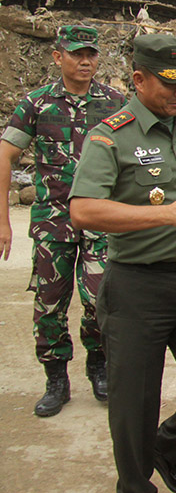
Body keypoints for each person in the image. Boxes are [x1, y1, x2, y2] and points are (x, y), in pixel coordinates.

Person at [69, 34, 176, 493]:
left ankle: (168, 449)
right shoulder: (111, 136)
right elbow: (83, 210)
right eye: (170, 83)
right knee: (134, 406)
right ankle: (135, 483)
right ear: (139, 79)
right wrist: (168, 214)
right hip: (137, 286)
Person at [0, 25, 126, 417]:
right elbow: (5, 156)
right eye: (76, 54)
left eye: (91, 54)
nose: (85, 61)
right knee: (50, 302)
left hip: (100, 221)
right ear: (59, 57)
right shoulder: (36, 104)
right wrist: (2, 221)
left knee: (98, 299)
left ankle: (98, 365)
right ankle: (56, 377)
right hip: (53, 221)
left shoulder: (115, 102)